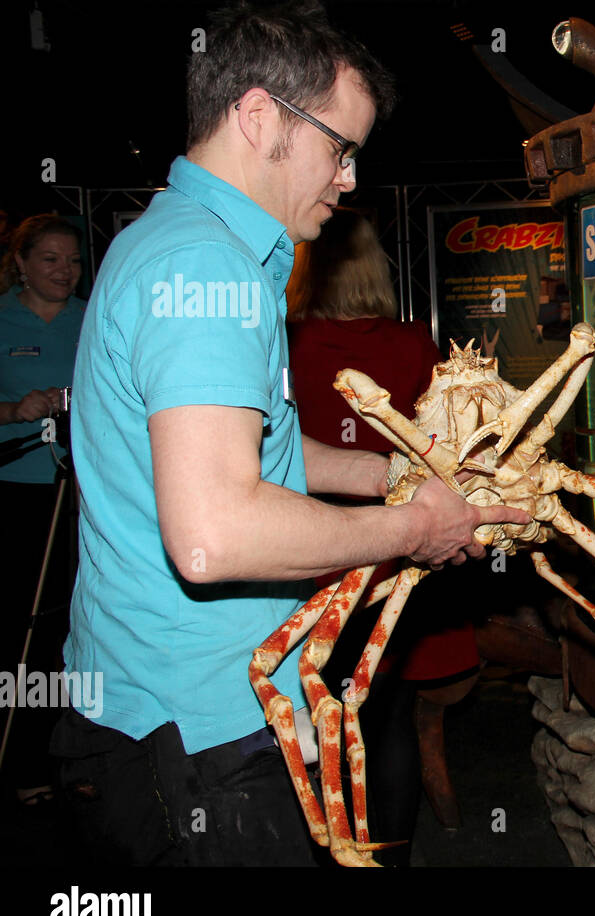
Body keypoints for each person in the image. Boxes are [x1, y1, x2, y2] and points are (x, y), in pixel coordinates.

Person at [54, 1, 528, 866]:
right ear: (261, 115)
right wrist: (418, 529)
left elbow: (244, 453)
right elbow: (212, 536)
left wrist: (390, 474)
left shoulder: (168, 240)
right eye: (339, 148)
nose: (348, 180)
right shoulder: (207, 267)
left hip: (147, 707)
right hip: (194, 736)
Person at [286, 207, 481, 863]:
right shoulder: (413, 345)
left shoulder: (289, 344)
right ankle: (390, 857)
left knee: (328, 714)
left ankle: (334, 850)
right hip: (403, 549)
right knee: (388, 713)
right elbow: (447, 451)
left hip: (318, 554)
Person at [0, 214, 86, 810]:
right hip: (19, 495)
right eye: (51, 260)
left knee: (79, 628)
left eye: (74, 261)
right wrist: (14, 409)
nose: (65, 271)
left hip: (84, 494)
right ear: (22, 263)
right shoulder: (2, 317)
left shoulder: (90, 317)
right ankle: (23, 761)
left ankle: (77, 755)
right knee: (21, 630)